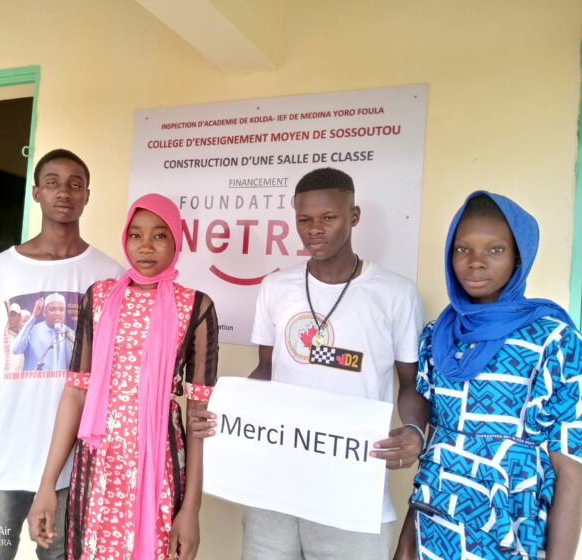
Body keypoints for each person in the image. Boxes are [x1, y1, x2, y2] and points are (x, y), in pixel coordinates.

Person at [189, 167, 428, 560]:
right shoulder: (276, 287)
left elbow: (410, 384)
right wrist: (226, 411)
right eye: (304, 220)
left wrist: (415, 431)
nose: (314, 230)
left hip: (352, 491)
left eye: (329, 218)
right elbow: (267, 370)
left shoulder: (395, 294)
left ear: (354, 216)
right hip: (274, 486)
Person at [27, 193, 219, 560]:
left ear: (177, 240)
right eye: (136, 235)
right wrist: (47, 486)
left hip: (160, 466)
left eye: (160, 235)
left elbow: (198, 414)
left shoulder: (196, 305)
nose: (146, 246)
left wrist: (191, 509)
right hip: (100, 463)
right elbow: (76, 392)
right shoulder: (98, 298)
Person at [394, 191, 582, 560]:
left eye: (494, 250)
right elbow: (436, 448)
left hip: (510, 527)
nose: (475, 263)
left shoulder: (554, 339)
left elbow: (572, 470)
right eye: (462, 249)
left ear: (518, 258)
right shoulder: (440, 335)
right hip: (436, 523)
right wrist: (405, 546)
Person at [0, 149, 122, 560]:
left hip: (72, 465)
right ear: (36, 192)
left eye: (75, 184)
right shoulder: (0, 270)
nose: (63, 192)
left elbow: (112, 375)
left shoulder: (110, 275)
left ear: (87, 195)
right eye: (52, 182)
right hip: (1, 459)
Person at [13, 292, 75, 372]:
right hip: (34, 383)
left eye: (61, 309)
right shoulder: (32, 331)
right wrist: (33, 316)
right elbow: (16, 349)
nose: (57, 313)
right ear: (44, 313)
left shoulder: (71, 335)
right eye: (53, 309)